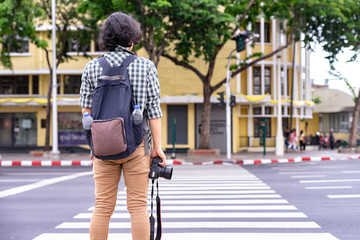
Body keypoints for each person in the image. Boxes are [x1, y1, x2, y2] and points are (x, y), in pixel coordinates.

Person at [79, 12, 166, 240]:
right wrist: (157, 147)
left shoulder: (91, 68)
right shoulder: (146, 66)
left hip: (103, 148)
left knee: (102, 208)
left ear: (106, 37)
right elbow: (154, 112)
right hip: (136, 145)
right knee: (137, 207)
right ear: (132, 37)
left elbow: (86, 113)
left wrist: (94, 146)